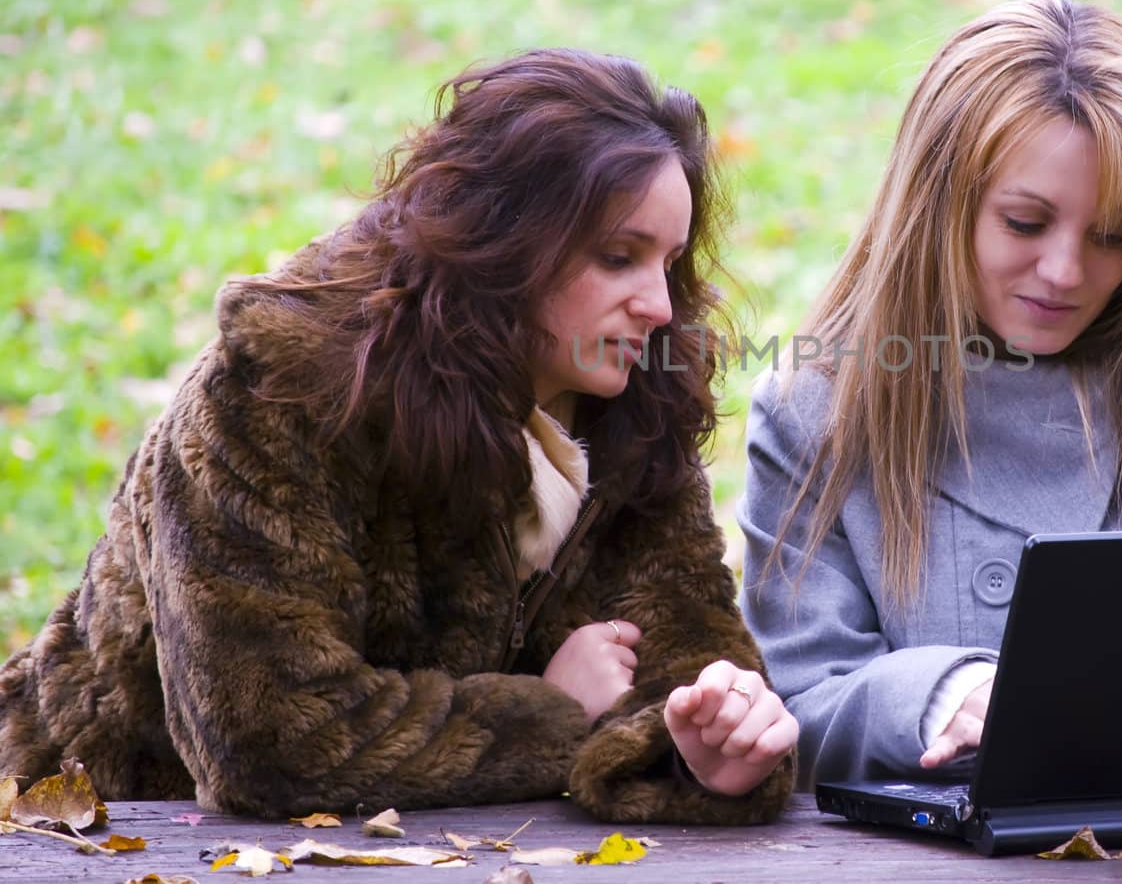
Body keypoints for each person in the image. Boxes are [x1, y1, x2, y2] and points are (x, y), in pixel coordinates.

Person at [0, 48, 798, 822]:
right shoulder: (283, 387)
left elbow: (692, 657)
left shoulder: (636, 411)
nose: (659, 304)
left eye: (670, 262)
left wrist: (713, 749)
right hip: (92, 823)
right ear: (507, 245)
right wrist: (552, 714)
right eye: (620, 257)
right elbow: (265, 736)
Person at [738, 0, 1122, 790]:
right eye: (1024, 222)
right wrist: (942, 693)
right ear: (938, 205)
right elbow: (791, 704)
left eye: (1112, 236)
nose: (1067, 272)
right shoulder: (821, 408)